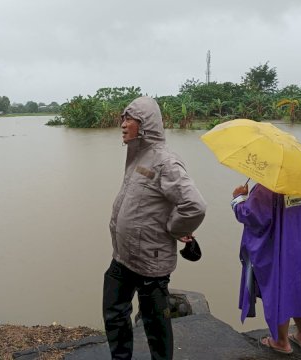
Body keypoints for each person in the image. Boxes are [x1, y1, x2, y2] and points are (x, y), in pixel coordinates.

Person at [104, 96, 207, 360]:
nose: (123, 125)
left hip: (151, 260)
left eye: (130, 119)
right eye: (123, 119)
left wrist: (174, 228)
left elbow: (194, 206)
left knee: (155, 326)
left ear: (146, 124)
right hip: (123, 257)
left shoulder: (164, 162)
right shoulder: (137, 156)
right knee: (114, 312)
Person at [231, 182, 301, 354]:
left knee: (280, 288)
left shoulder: (268, 186)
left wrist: (238, 198)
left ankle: (281, 341)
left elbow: (252, 216)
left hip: (281, 247)